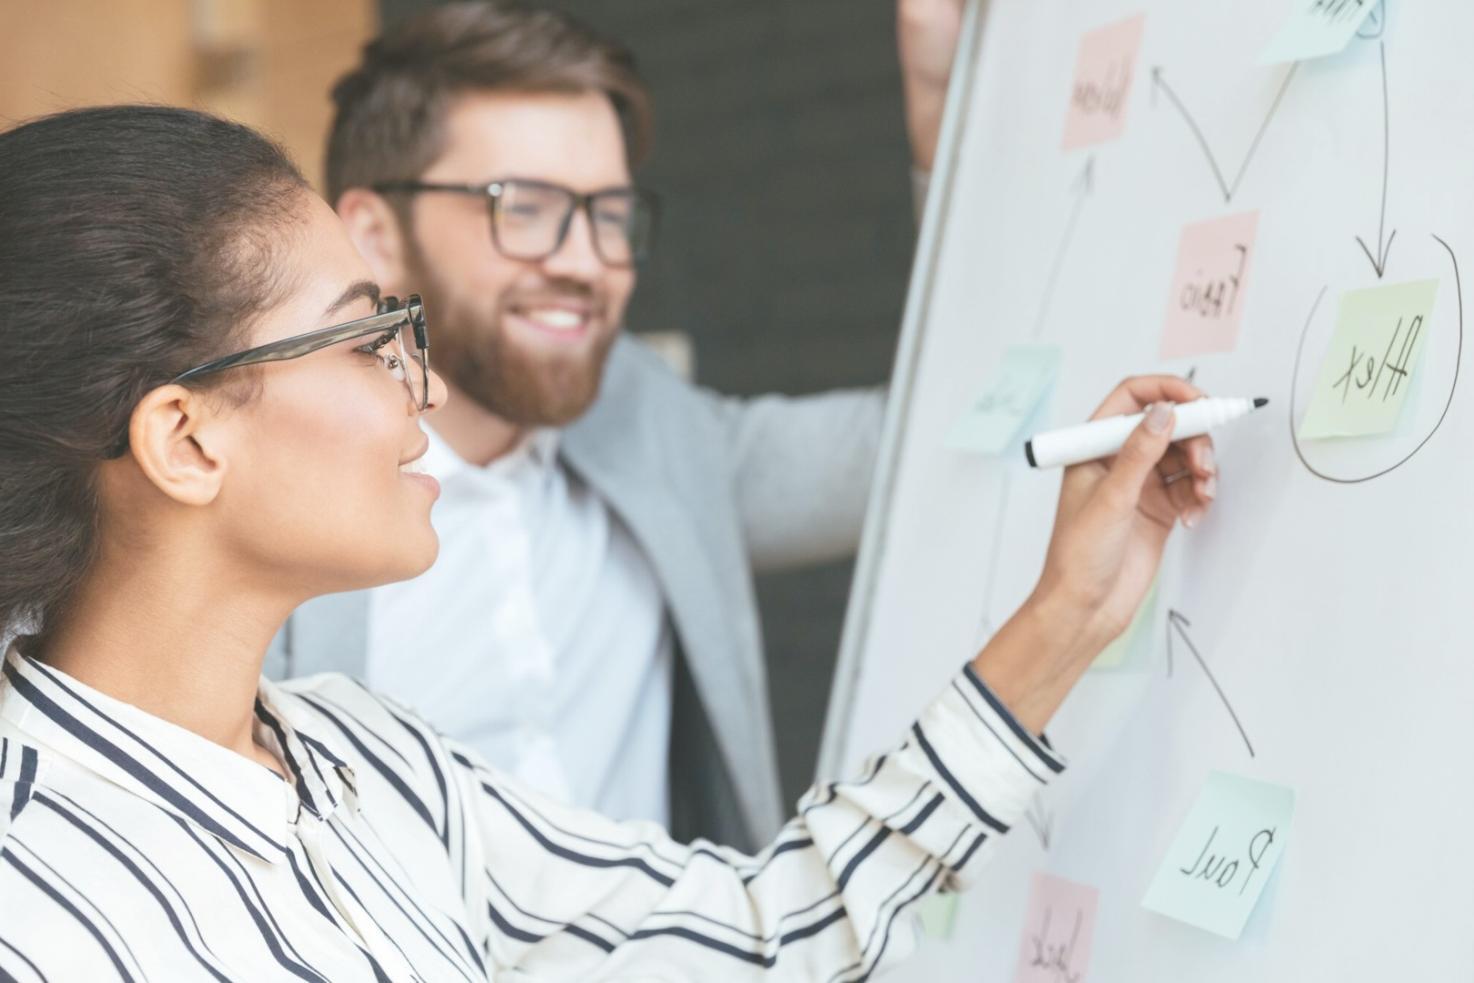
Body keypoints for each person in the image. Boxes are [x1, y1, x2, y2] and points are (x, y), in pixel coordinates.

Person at [0, 105, 1216, 980]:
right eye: (367, 340)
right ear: (186, 440)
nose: (416, 391)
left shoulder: (371, 758)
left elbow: (758, 929)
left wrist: (1071, 613)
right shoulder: (39, 907)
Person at [266, 0, 970, 852]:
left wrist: (945, 116)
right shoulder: (270, 503)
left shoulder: (650, 428)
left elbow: (931, 445)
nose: (584, 261)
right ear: (375, 234)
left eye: (609, 213)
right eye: (520, 206)